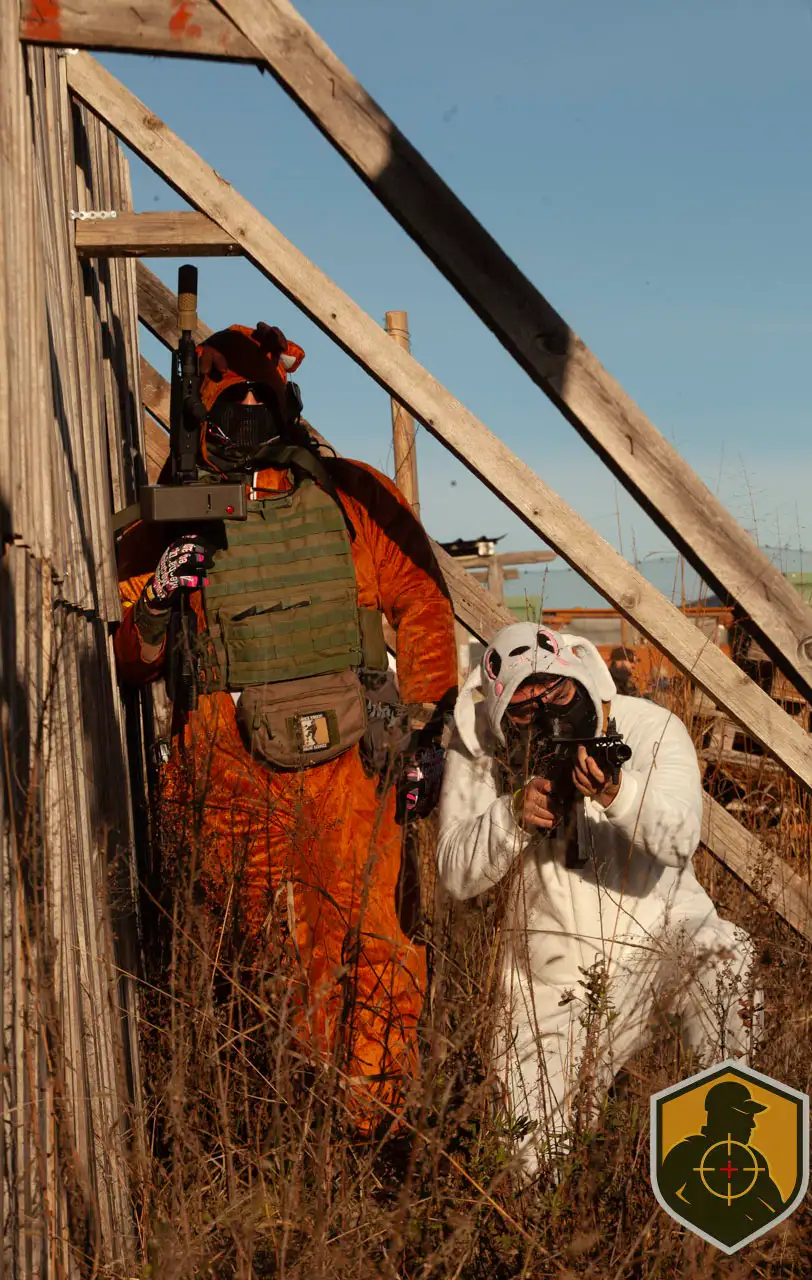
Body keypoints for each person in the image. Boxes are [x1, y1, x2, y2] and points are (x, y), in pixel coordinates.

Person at [114, 321, 458, 1130]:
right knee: (260, 959)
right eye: (228, 402)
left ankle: (369, 1126)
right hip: (229, 774)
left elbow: (422, 602)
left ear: (285, 404)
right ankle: (290, 1125)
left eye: (258, 401)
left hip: (351, 764)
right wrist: (159, 598)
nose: (246, 418)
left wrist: (427, 727)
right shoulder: (173, 514)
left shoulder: (350, 496)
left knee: (371, 943)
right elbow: (131, 659)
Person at [436, 621, 761, 1172]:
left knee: (726, 958)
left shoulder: (650, 726)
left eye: (558, 693)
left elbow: (680, 839)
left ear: (581, 677)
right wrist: (511, 815)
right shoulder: (482, 751)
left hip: (662, 946)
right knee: (531, 1164)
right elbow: (454, 874)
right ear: (502, 715)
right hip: (549, 977)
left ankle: (726, 1169)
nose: (549, 716)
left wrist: (617, 792)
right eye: (525, 709)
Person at [658, 1080, 785, 1246]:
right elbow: (662, 1200)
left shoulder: (753, 1160)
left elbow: (777, 1209)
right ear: (723, 1115)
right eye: (746, 1116)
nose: (752, 1124)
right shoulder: (689, 1151)